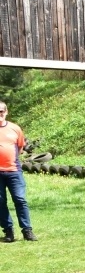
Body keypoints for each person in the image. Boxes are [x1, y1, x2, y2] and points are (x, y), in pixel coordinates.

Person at [0, 101, 37, 243]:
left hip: (14, 171)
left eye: (1, 111)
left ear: (6, 112)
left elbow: (20, 147)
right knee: (0, 202)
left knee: (20, 200)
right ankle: (8, 231)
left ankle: (27, 231)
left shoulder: (15, 129)